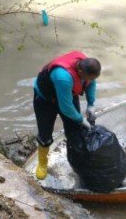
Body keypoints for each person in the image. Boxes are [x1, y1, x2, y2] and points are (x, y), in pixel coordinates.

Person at [32, 51, 101, 180]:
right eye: (89, 78)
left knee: (75, 131)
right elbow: (65, 107)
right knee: (45, 133)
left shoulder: (87, 67)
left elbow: (91, 83)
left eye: (93, 78)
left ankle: (77, 163)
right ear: (80, 72)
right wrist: (81, 119)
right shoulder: (62, 76)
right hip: (46, 100)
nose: (91, 80)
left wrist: (91, 104)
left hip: (68, 94)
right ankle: (42, 164)